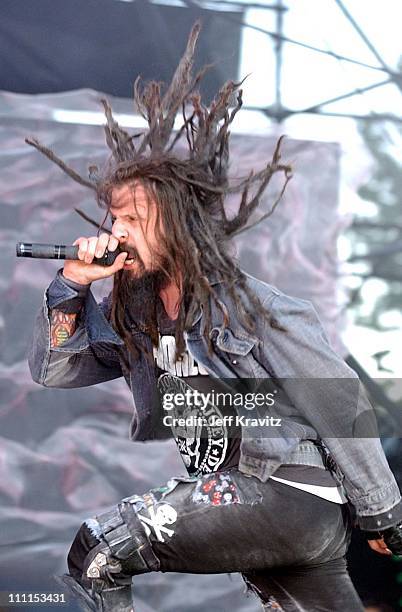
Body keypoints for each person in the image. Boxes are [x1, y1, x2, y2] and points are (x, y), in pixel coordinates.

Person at [27, 23, 402, 612]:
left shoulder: (253, 307)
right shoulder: (134, 314)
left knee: (101, 548)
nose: (116, 231)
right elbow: (56, 371)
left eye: (132, 217)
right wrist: (71, 286)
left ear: (177, 221)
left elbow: (340, 402)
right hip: (236, 500)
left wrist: (382, 510)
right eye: (112, 217)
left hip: (283, 491)